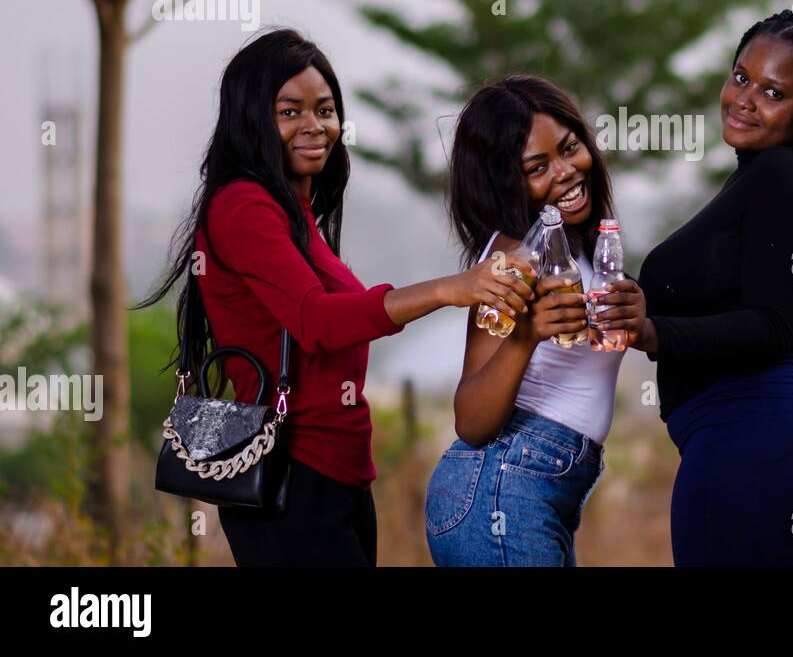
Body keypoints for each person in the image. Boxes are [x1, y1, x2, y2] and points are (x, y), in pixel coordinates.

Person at [138, 28, 530, 566]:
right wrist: (449, 289)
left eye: (324, 109)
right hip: (292, 477)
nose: (314, 126)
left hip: (334, 475)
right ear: (252, 117)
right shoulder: (243, 208)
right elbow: (315, 321)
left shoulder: (295, 215)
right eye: (289, 111)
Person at [609, 10, 793, 566]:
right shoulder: (770, 181)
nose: (745, 99)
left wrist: (653, 332)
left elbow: (771, 326)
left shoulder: (783, 178)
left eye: (774, 92)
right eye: (741, 77)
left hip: (758, 443)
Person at [424, 75, 643, 566]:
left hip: (537, 489)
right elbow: (472, 419)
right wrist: (526, 334)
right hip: (502, 488)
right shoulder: (514, 260)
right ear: (505, 183)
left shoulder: (578, 245)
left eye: (570, 148)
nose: (566, 172)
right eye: (537, 167)